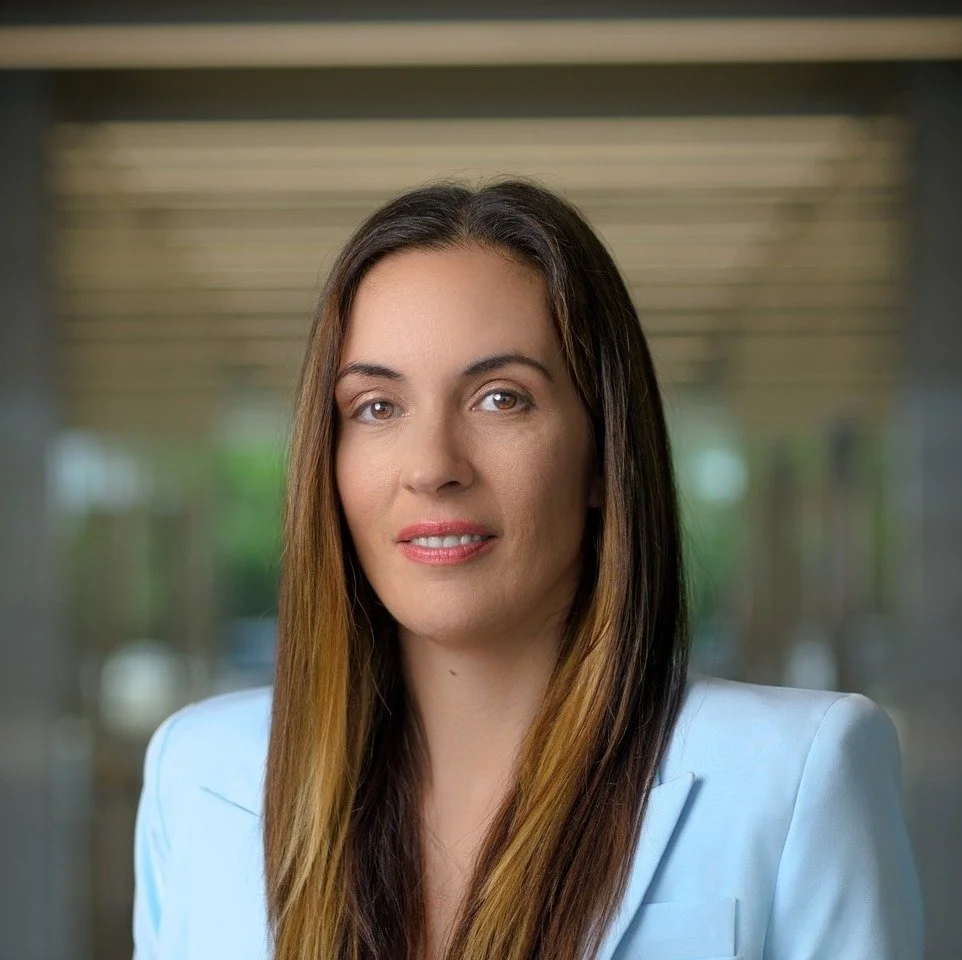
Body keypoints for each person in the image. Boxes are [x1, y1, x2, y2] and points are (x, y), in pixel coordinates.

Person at [132, 180, 923, 960]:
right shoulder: (198, 773)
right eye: (377, 407)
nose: (432, 467)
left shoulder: (796, 774)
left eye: (501, 398)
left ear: (603, 457)